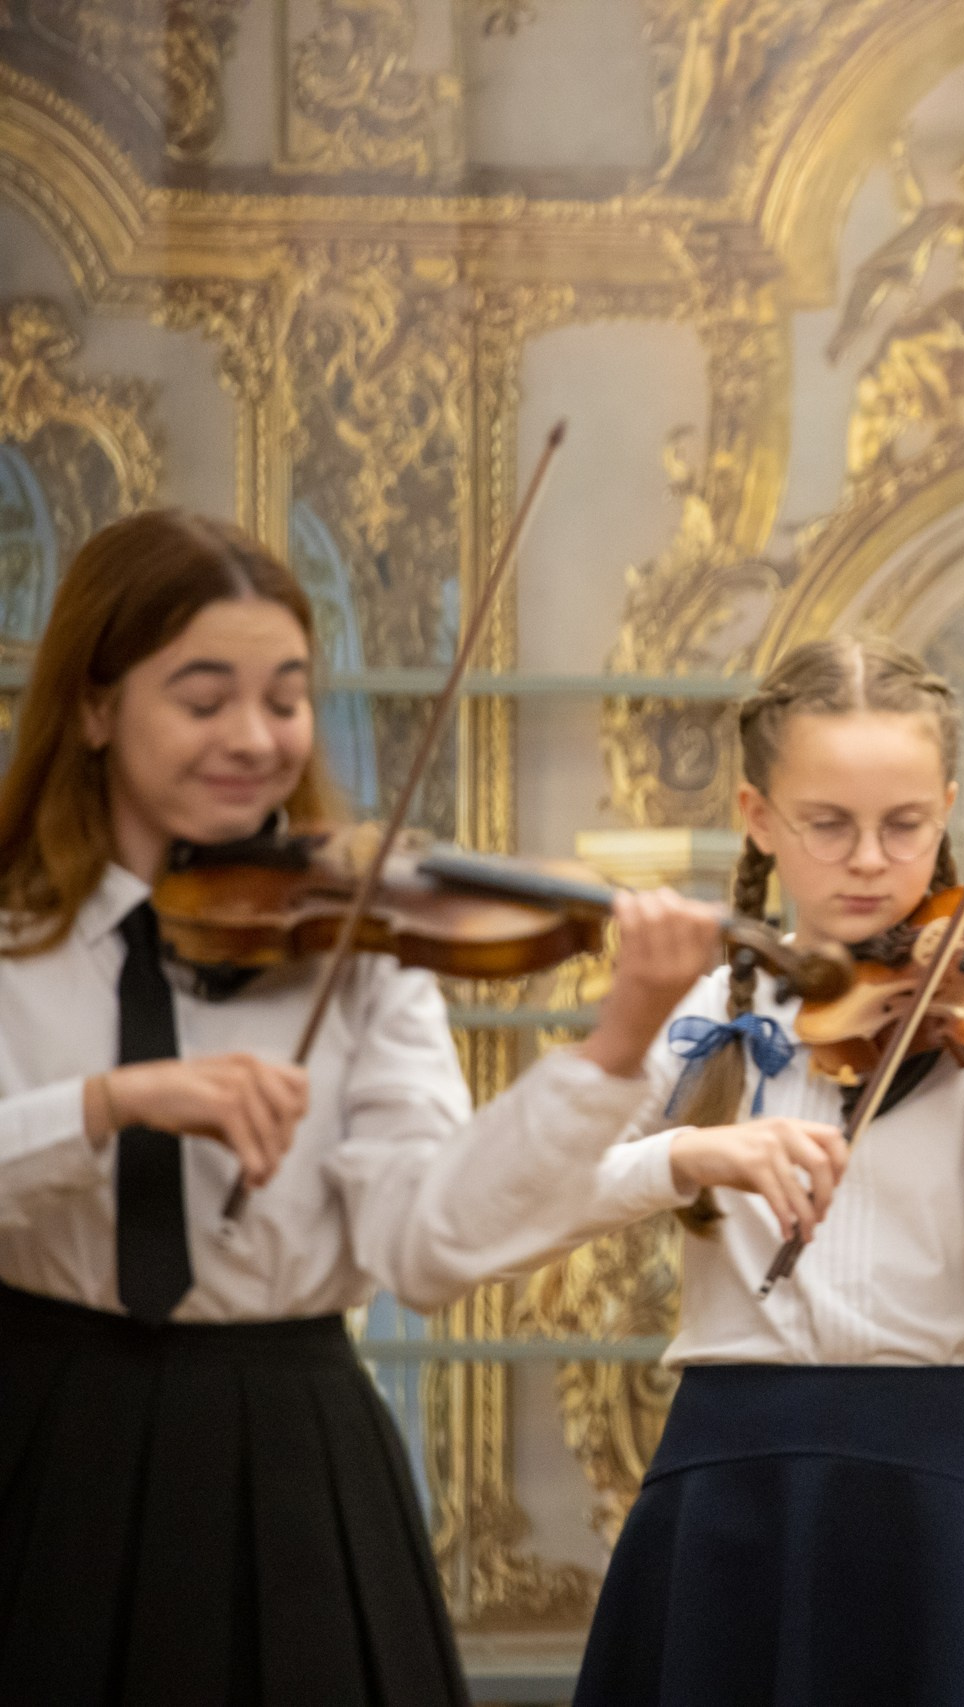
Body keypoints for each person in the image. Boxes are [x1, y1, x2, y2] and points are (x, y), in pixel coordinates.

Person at [0, 509, 728, 1707]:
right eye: (203, 697)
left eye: (284, 698)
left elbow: (429, 1242)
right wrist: (108, 1102)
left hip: (288, 1453)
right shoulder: (17, 929)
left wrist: (618, 1042)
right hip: (42, 1429)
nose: (254, 737)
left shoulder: (357, 940)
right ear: (93, 707)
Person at [570, 636, 964, 1707]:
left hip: (937, 1484)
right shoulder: (709, 1009)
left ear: (948, 808)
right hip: (730, 1477)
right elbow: (529, 1204)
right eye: (828, 825)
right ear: (759, 817)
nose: (868, 860)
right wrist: (693, 1153)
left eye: (904, 826)